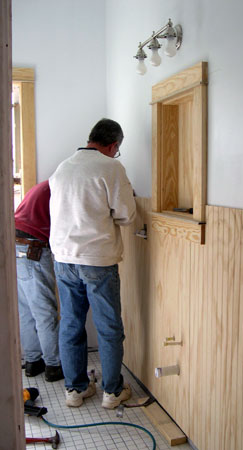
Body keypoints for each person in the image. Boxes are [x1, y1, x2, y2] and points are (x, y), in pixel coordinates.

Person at [49, 118, 136, 409]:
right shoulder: (110, 167)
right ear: (113, 145)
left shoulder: (63, 168)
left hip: (63, 258)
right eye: (117, 150)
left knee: (71, 324)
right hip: (97, 260)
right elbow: (126, 215)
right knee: (109, 326)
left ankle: (76, 389)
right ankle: (112, 392)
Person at [15, 180, 64, 382]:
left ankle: (33, 362)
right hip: (33, 249)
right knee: (45, 312)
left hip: (17, 246)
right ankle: (53, 365)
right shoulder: (60, 189)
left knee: (26, 310)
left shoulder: (45, 186)